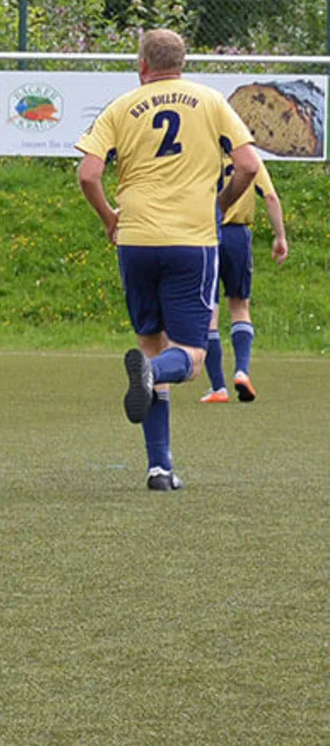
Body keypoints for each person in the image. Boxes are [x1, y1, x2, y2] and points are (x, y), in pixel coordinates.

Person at [77, 28, 261, 490]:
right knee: (190, 357)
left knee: (150, 343)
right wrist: (221, 205)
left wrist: (108, 218)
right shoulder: (210, 100)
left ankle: (159, 469)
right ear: (183, 63)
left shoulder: (121, 107)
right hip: (191, 241)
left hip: (136, 241)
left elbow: (88, 174)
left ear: (142, 65)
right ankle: (152, 375)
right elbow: (249, 165)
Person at [198, 158, 287, 402]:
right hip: (237, 236)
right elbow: (270, 197)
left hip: (205, 235)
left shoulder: (204, 152)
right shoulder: (248, 159)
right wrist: (280, 236)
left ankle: (218, 387)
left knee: (209, 313)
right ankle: (242, 371)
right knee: (239, 306)